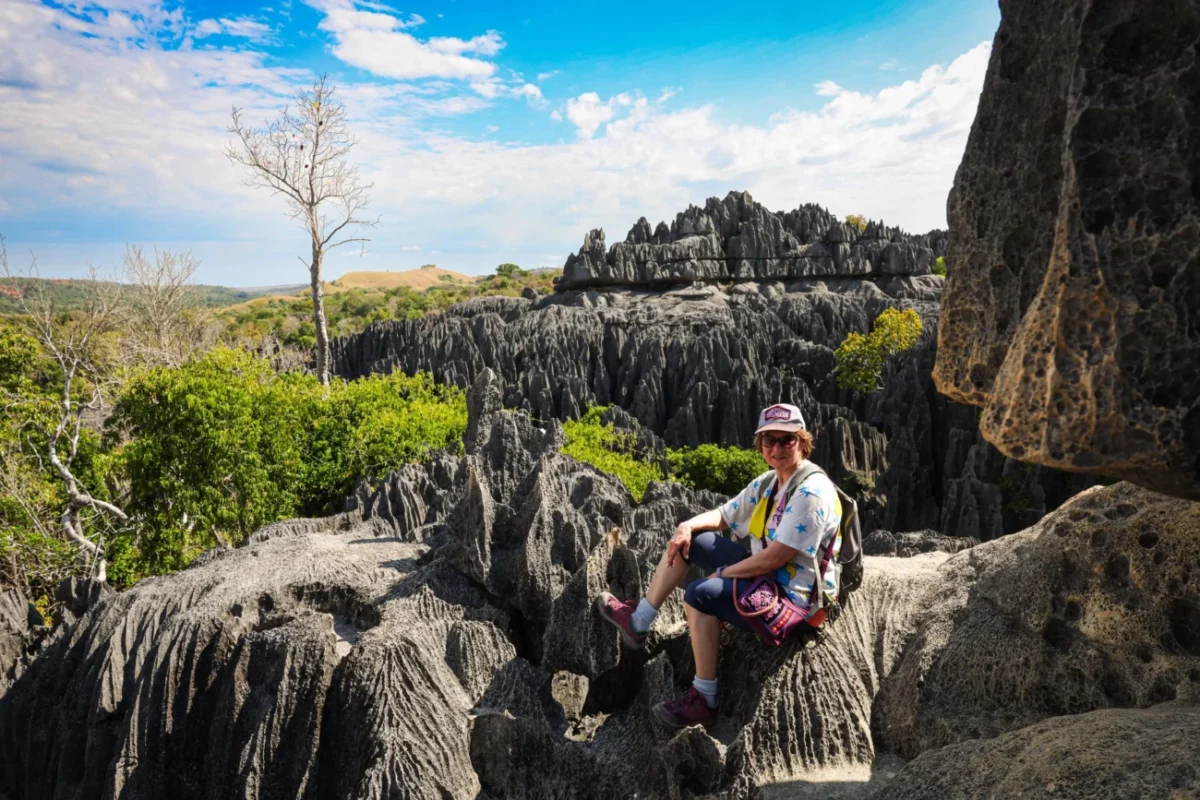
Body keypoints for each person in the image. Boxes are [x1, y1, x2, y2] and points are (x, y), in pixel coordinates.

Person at [596, 403, 843, 728]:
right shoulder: (773, 482)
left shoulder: (811, 492)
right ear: (761, 445)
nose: (778, 448)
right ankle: (639, 623)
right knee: (692, 542)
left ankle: (705, 698)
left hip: (793, 602)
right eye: (770, 440)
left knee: (700, 593)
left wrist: (725, 574)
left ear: (802, 441)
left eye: (787, 440)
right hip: (767, 578)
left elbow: (775, 558)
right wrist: (687, 526)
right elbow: (725, 515)